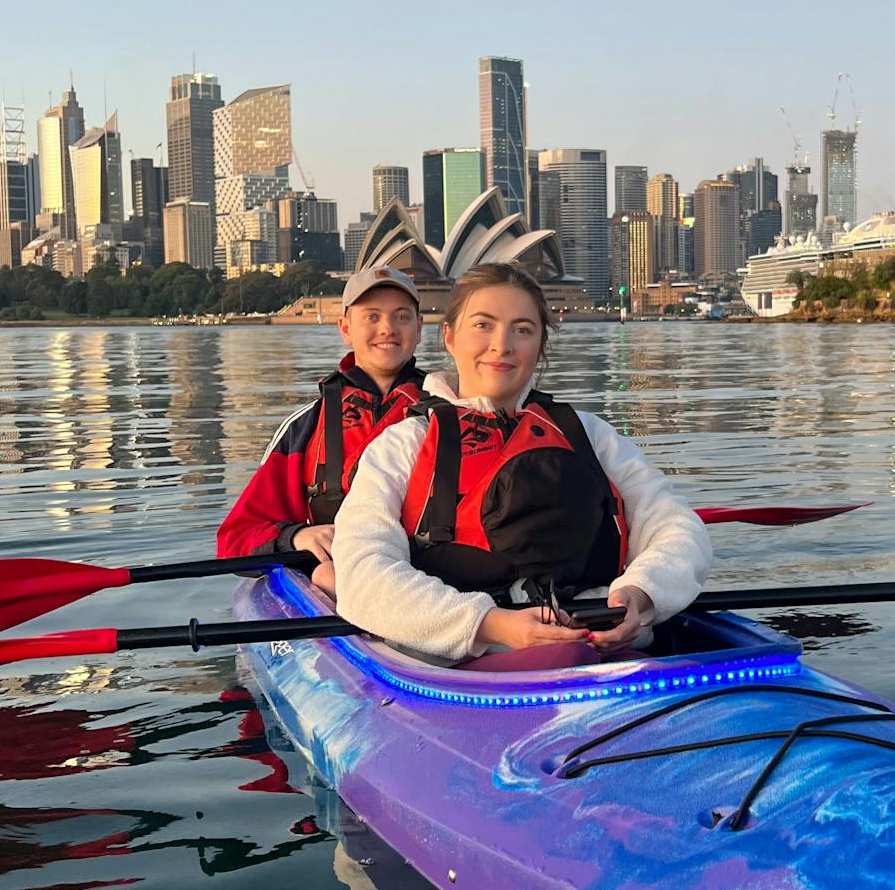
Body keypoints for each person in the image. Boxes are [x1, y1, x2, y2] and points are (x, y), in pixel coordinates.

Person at [331, 262, 711, 669]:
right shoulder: (403, 446)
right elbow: (363, 571)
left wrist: (640, 595)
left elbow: (676, 528)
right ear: (449, 337)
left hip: (602, 649)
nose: (502, 345)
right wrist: (491, 624)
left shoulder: (589, 435)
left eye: (523, 330)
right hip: (462, 668)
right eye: (483, 325)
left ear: (541, 343)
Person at [217, 266, 426, 595]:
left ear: (419, 328)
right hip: (338, 587)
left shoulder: (453, 411)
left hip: (429, 583)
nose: (387, 328)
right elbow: (236, 539)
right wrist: (295, 537)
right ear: (345, 328)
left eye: (402, 317)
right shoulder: (305, 427)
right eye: (371, 317)